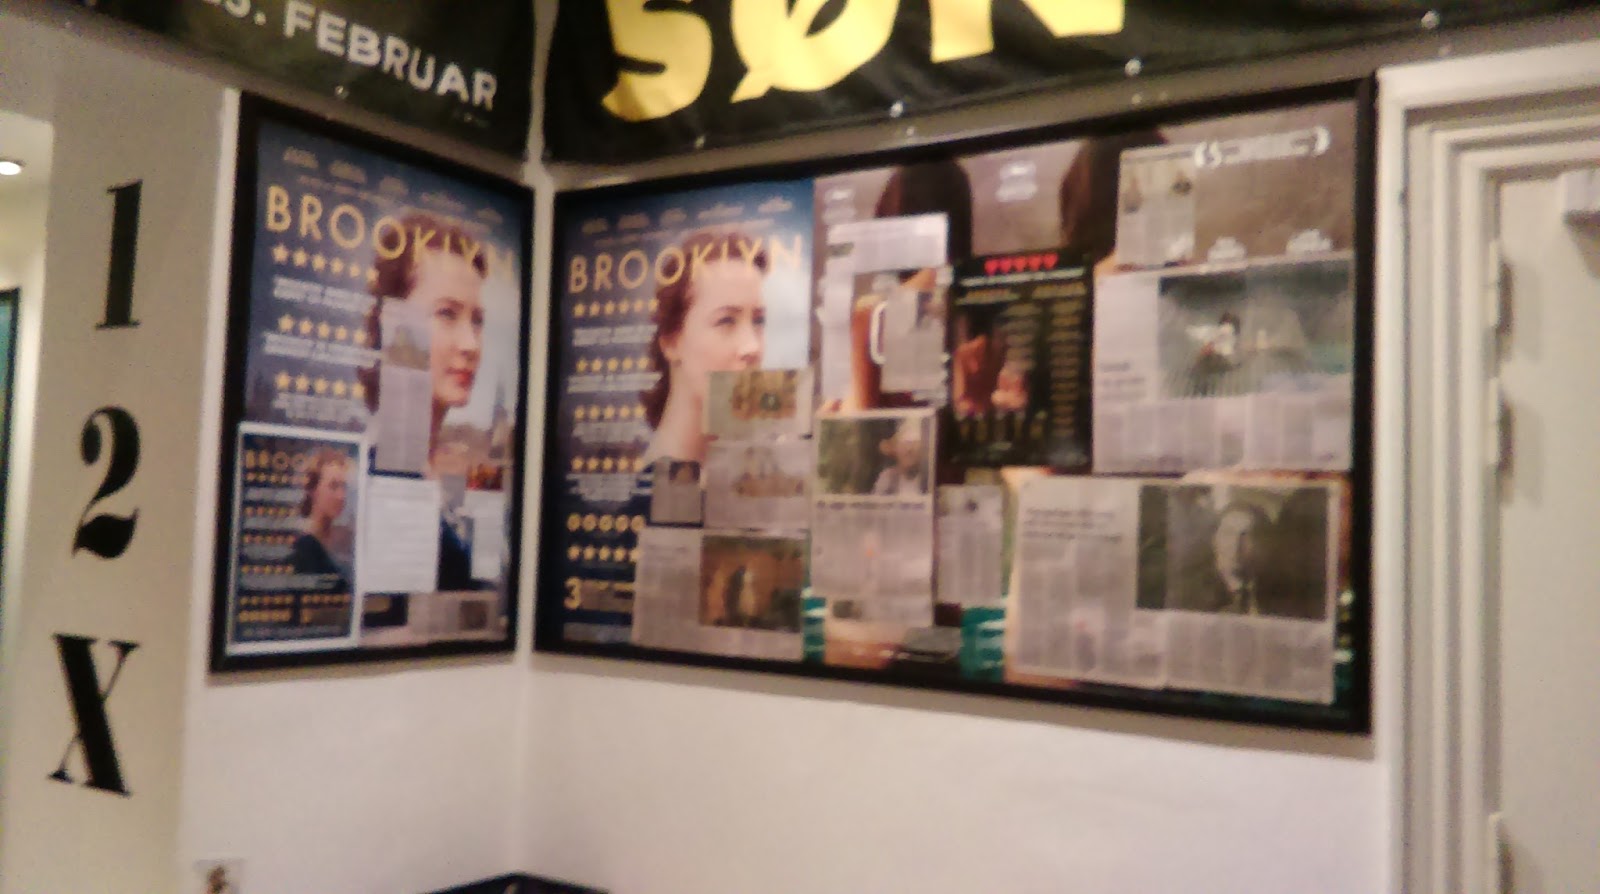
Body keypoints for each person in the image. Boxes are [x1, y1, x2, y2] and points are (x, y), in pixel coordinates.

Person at [363, 211, 490, 591]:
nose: (470, 344)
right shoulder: (382, 477)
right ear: (392, 323)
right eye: (446, 314)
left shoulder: (435, 471)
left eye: (477, 320)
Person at [640, 229, 767, 466]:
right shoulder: (650, 486)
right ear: (671, 341)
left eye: (759, 321)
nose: (753, 347)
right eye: (726, 321)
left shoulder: (753, 468)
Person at [289, 448, 352, 590]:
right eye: (333, 486)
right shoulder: (304, 547)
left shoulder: (342, 541)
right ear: (313, 490)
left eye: (344, 487)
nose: (341, 496)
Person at [871, 418, 929, 496]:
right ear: (896, 450)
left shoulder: (929, 478)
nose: (908, 449)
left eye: (914, 443)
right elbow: (877, 503)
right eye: (904, 444)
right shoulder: (887, 478)